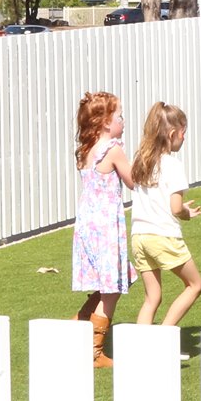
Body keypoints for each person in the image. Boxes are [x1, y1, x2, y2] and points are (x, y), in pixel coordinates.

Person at [128, 101, 201, 342]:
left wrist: (180, 209)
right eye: (184, 133)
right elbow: (174, 208)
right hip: (163, 236)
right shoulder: (173, 164)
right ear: (173, 134)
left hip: (139, 237)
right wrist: (184, 212)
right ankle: (162, 338)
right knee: (195, 285)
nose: (184, 139)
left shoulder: (141, 160)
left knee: (152, 297)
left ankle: (140, 347)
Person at [71, 90, 137, 368]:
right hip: (106, 226)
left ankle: (77, 328)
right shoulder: (112, 149)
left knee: (105, 282)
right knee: (112, 287)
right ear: (106, 122)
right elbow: (134, 181)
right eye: (119, 115)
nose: (123, 120)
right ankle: (94, 350)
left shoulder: (88, 150)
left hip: (87, 224)